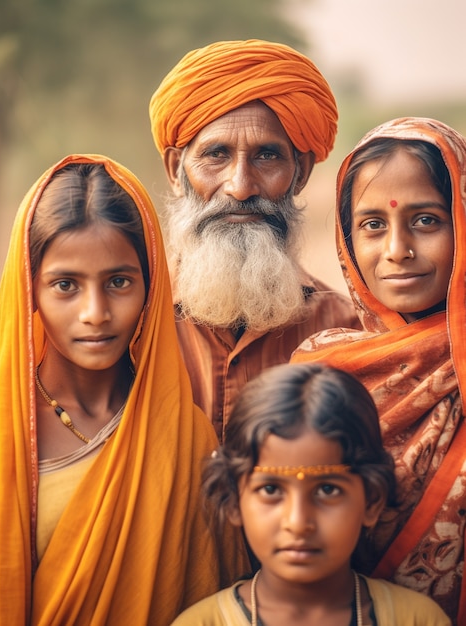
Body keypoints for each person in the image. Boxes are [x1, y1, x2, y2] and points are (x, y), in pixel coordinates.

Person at [0, 154, 248, 625]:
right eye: (65, 285)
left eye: (118, 282)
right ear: (30, 290)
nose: (95, 312)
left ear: (151, 286)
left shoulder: (184, 436)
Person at [291, 117, 466, 623]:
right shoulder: (322, 368)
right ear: (348, 239)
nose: (397, 250)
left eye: (427, 220)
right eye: (372, 225)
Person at [149, 39, 361, 441]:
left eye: (267, 156)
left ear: (300, 173)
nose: (241, 186)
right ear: (177, 171)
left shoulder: (347, 331)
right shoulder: (133, 321)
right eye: (216, 155)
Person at [170, 362, 451, 625]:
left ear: (372, 500)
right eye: (270, 489)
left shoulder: (416, 619)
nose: (298, 522)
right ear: (234, 500)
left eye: (327, 489)